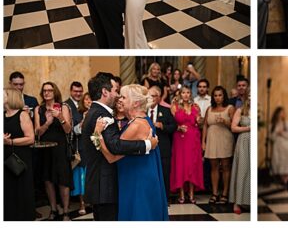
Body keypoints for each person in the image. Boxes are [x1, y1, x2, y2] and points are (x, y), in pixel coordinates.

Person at [79, 72, 154, 220]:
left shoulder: (93, 112)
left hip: (101, 184)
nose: (118, 95)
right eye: (115, 90)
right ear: (105, 92)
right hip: (105, 185)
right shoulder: (101, 114)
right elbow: (116, 147)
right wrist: (147, 144)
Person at [94, 84, 168, 221]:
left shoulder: (136, 125)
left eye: (123, 97)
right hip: (139, 177)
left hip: (137, 181)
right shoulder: (141, 121)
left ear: (136, 103)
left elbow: (112, 157)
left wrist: (97, 135)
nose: (119, 99)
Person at [34, 82, 73, 220]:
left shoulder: (63, 107)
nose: (47, 93)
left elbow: (68, 130)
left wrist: (60, 117)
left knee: (63, 179)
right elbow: (37, 132)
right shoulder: (39, 109)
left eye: (50, 90)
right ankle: (54, 209)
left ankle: (66, 211)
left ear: (54, 92)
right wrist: (48, 123)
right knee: (48, 179)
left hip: (60, 147)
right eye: (44, 91)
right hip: (45, 147)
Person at [4, 88, 35, 221]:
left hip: (19, 158)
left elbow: (30, 138)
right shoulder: (1, 115)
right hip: (4, 156)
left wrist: (9, 141)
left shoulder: (22, 115)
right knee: (8, 189)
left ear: (10, 97)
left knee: (20, 190)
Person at [169, 86, 203, 204]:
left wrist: (200, 120)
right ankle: (182, 194)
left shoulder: (195, 107)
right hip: (180, 139)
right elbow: (171, 124)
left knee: (192, 165)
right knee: (181, 165)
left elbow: (200, 122)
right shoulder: (174, 107)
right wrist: (178, 127)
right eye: (183, 92)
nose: (186, 95)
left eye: (188, 92)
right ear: (180, 94)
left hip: (193, 139)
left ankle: (192, 194)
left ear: (190, 94)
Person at [203, 86, 235, 204]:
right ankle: (215, 193)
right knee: (214, 167)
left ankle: (225, 193)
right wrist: (203, 142)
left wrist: (225, 122)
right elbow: (205, 125)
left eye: (220, 95)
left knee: (226, 166)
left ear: (224, 96)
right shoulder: (209, 109)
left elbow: (234, 125)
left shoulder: (230, 108)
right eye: (215, 95)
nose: (217, 98)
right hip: (212, 139)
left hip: (225, 138)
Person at [228, 96, 250, 215]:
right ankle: (237, 201)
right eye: (250, 96)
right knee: (242, 170)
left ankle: (249, 201)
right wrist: (248, 128)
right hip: (244, 141)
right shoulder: (241, 110)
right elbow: (233, 127)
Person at [269, 107, 288, 183]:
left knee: (287, 162)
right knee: (279, 161)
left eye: (284, 112)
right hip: (278, 146)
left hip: (287, 146)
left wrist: (282, 133)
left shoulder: (287, 124)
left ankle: (287, 178)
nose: (283, 114)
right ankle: (282, 178)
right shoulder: (273, 125)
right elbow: (272, 137)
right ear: (277, 114)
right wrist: (276, 132)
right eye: (281, 112)